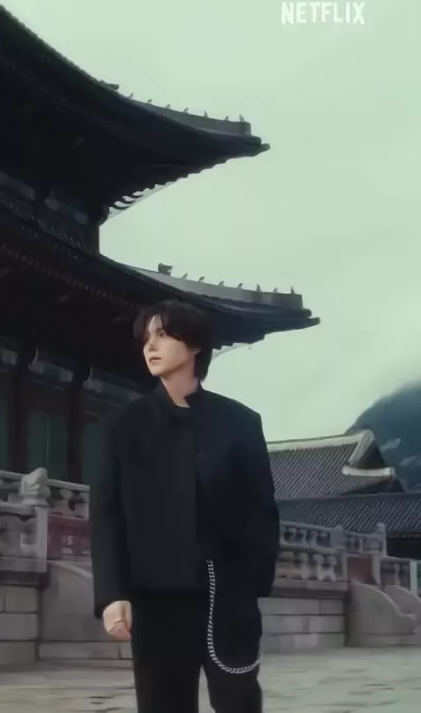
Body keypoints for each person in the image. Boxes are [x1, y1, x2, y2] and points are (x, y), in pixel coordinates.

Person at [89, 300, 279, 713]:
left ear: (194, 345)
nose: (150, 346)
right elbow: (106, 515)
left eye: (162, 335)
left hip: (227, 597)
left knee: (240, 703)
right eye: (146, 338)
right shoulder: (122, 427)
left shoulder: (241, 423)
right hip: (156, 600)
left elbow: (261, 511)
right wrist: (111, 594)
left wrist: (250, 585)